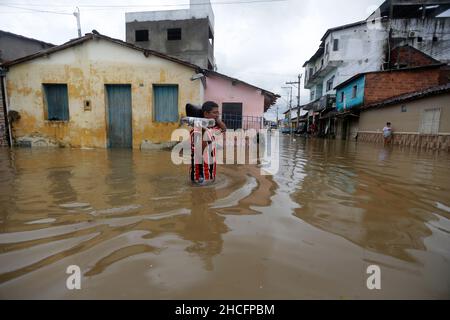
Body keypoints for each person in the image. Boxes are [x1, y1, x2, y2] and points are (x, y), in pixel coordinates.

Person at [190, 101, 226, 186]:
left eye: (218, 112)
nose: (217, 115)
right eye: (215, 112)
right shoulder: (196, 131)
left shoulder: (213, 129)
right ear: (206, 113)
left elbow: (224, 128)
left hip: (209, 173)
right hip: (200, 176)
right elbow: (202, 151)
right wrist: (202, 129)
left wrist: (216, 119)